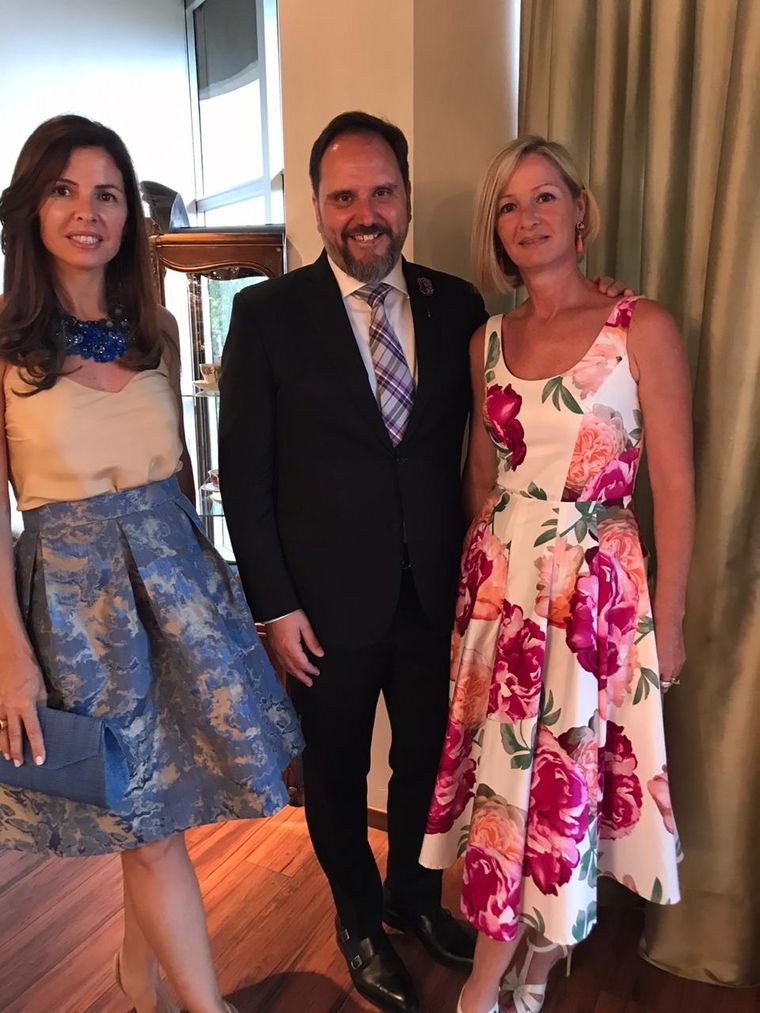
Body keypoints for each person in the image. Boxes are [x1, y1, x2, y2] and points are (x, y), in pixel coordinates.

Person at [219, 111, 627, 1013]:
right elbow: (240, 476)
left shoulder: (462, 311)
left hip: (443, 592)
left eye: (382, 192)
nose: (366, 212)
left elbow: (505, 419)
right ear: (317, 206)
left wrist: (589, 295)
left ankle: (410, 894)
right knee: (331, 766)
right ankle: (359, 916)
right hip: (320, 605)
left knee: (426, 761)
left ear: (404, 197)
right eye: (344, 196)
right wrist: (274, 606)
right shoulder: (265, 315)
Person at [0, 115, 303, 1013]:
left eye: (107, 194)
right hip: (75, 613)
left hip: (177, 590)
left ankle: (138, 978)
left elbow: (176, 478)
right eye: (64, 190)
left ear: (129, 214)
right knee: (147, 827)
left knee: (159, 819)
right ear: (32, 208)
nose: (86, 212)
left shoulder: (159, 331)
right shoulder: (4, 349)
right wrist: (11, 658)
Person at [419, 136, 694, 1013]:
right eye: (509, 205)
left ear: (580, 209)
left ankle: (517, 970)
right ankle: (498, 972)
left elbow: (678, 487)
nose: (527, 218)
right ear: (495, 230)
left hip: (592, 598)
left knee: (566, 776)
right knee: (504, 782)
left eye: (544, 198)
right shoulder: (485, 341)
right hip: (501, 593)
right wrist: (479, 600)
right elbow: (478, 479)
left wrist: (673, 621)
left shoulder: (640, 326)